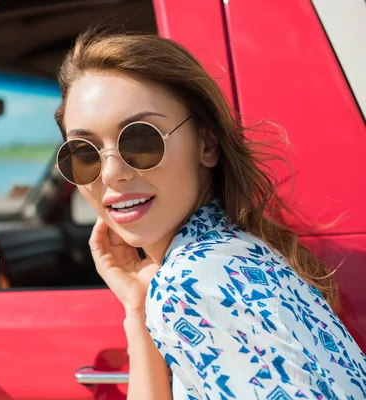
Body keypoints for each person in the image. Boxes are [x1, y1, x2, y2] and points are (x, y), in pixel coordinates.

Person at [53, 27, 366, 399]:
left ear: (207, 143)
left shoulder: (191, 281)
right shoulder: (243, 250)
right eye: (84, 153)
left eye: (140, 139)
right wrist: (139, 308)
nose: (110, 173)